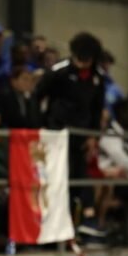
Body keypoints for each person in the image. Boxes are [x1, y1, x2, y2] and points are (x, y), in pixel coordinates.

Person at [35, 32, 107, 239]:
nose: (82, 63)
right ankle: (58, 223)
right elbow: (37, 96)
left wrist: (93, 137)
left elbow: (96, 110)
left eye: (86, 59)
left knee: (80, 178)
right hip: (57, 136)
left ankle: (84, 222)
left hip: (81, 138)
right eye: (79, 58)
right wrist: (42, 127)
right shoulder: (59, 72)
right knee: (59, 179)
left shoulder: (98, 78)